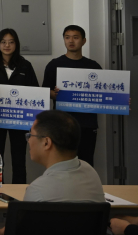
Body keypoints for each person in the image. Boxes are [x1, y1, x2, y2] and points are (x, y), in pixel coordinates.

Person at [0, 110, 105, 235]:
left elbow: (22, 234)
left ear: (46, 143)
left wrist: (5, 232)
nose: (28, 141)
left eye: (31, 135)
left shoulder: (38, 191)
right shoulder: (92, 174)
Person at [0, 29, 39, 184]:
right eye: (3, 42)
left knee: (19, 159)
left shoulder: (25, 66)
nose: (7, 45)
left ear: (16, 44)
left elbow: (35, 91)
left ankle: (19, 194)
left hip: (19, 120)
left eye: (11, 42)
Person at [42, 25, 101, 166]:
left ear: (84, 41)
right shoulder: (54, 65)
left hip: (87, 124)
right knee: (61, 164)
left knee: (86, 163)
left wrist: (120, 101)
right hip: (62, 124)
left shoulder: (93, 66)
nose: (71, 41)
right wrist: (56, 94)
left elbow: (103, 94)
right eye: (67, 37)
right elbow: (44, 91)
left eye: (75, 37)